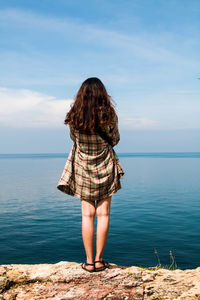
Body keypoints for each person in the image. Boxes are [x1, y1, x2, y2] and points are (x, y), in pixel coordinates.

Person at [57, 77, 125, 272]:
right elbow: (115, 139)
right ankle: (99, 260)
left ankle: (88, 262)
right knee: (103, 214)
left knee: (87, 216)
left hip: (83, 167)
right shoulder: (109, 114)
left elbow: (74, 138)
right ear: (102, 94)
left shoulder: (74, 115)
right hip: (104, 164)